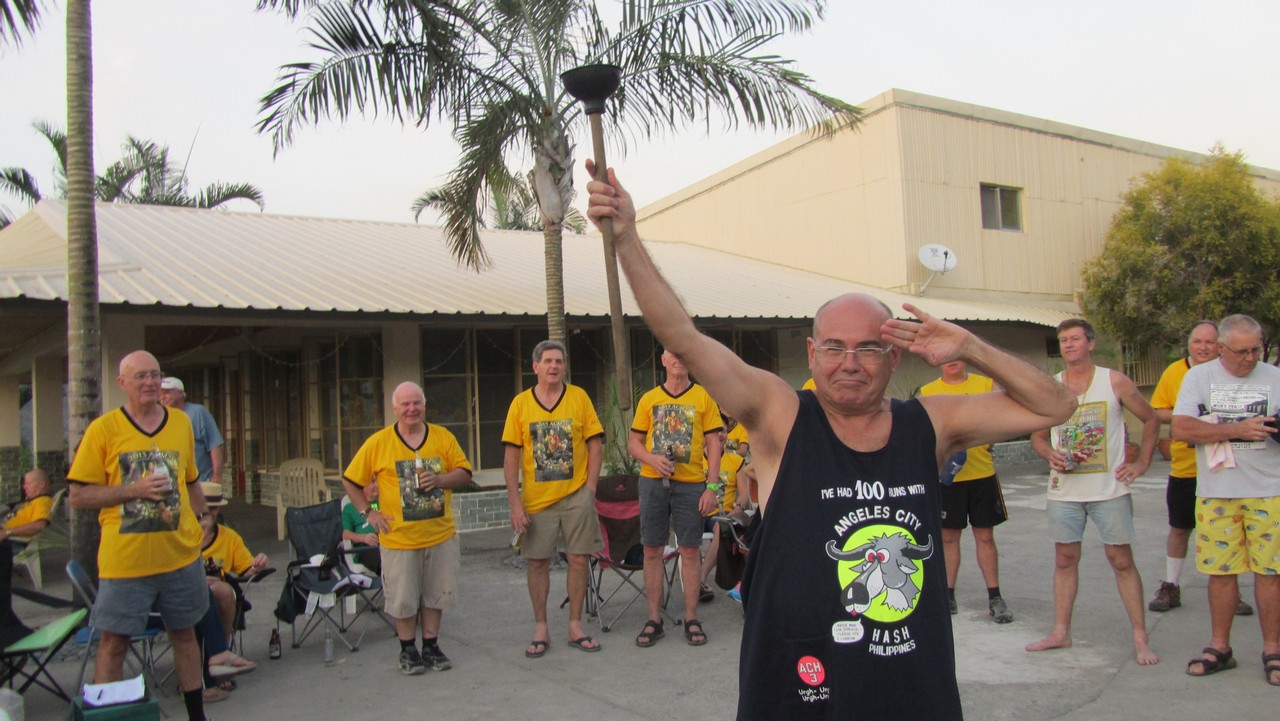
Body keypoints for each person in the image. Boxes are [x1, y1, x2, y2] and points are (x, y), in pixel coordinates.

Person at [586, 162, 1076, 719]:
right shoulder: (780, 415)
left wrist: (972, 347)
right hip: (800, 678)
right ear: (812, 353)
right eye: (835, 348)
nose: (850, 363)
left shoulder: (931, 423)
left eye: (868, 348)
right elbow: (683, 337)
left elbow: (1056, 405)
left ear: (894, 358)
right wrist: (626, 238)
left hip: (911, 681)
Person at [67, 350, 213, 721]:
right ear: (123, 383)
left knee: (185, 635)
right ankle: (107, 715)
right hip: (126, 562)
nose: (150, 382)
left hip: (179, 556)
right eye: (140, 376)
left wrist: (204, 517)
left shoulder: (180, 423)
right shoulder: (103, 430)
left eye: (155, 375)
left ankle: (197, 715)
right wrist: (133, 490)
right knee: (114, 641)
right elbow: (79, 496)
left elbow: (191, 480)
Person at [1026, 319, 1160, 665]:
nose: (1068, 345)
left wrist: (1142, 463)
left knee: (1121, 560)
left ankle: (1140, 637)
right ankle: (1061, 632)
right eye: (1063, 340)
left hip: (1109, 491)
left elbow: (1151, 418)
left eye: (1075, 339)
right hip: (1064, 492)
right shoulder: (1052, 387)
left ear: (1090, 343)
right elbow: (1037, 436)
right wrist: (1049, 453)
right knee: (1065, 559)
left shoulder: (1113, 381)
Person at [1173, 314, 1280, 685]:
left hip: (1269, 489)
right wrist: (1238, 429)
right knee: (1220, 573)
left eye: (1255, 350)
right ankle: (1220, 647)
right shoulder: (1198, 378)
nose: (1250, 358)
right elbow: (1181, 428)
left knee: (1271, 574)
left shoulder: (1275, 377)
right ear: (1221, 348)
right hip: (1217, 491)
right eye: (1241, 352)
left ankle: (1273, 650)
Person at [342, 382, 472, 676]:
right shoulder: (378, 442)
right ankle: (408, 649)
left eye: (417, 403)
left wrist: (439, 480)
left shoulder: (442, 437)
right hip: (398, 539)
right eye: (405, 404)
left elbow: (464, 473)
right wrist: (369, 513)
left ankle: (431, 646)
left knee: (436, 594)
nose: (412, 409)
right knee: (403, 598)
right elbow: (350, 480)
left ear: (424, 405)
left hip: (439, 535)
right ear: (395, 408)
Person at [502, 340, 606, 658]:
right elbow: (511, 457)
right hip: (537, 501)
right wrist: (515, 503)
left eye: (559, 361)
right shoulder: (520, 404)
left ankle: (575, 626)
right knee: (537, 562)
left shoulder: (579, 398)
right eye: (547, 361)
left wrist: (589, 490)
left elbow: (595, 445)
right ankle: (541, 628)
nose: (554, 366)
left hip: (576, 497)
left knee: (579, 559)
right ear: (535, 366)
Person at [1148, 321, 1253, 616]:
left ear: (1220, 345)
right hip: (1187, 467)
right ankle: (1171, 585)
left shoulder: (1231, 373)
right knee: (1180, 527)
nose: (1203, 347)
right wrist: (1190, 415)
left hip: (1226, 466)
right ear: (1189, 344)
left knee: (1232, 529)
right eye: (1197, 341)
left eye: (1209, 342)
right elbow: (1158, 410)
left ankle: (1231, 591)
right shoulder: (1175, 372)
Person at [628, 348, 723, 648]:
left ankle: (692, 617)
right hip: (653, 483)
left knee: (690, 550)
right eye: (673, 354)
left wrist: (712, 487)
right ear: (664, 360)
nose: (679, 360)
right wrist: (651, 459)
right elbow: (634, 443)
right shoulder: (649, 399)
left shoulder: (703, 398)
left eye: (683, 354)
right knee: (652, 549)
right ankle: (654, 618)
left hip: (692, 484)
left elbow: (714, 444)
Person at [919, 361, 1014, 623]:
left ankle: (995, 597)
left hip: (982, 474)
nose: (952, 361)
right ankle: (947, 595)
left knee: (985, 536)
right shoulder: (928, 392)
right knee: (948, 537)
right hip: (948, 478)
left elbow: (1004, 417)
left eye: (957, 355)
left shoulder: (986, 385)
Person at [160, 377, 225, 483]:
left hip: (200, 482)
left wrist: (216, 478)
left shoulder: (198, 412)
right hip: (173, 484)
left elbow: (215, 446)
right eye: (160, 393)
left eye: (166, 393)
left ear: (180, 394)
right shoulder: (160, 416)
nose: (162, 397)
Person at [1, 469, 53, 542]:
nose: (24, 487)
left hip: (11, 541)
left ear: (42, 484)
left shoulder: (42, 502)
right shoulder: (34, 501)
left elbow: (39, 526)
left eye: (27, 483)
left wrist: (7, 532)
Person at [341, 480, 382, 575]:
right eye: (372, 482)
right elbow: (345, 535)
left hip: (387, 543)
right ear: (361, 486)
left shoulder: (384, 504)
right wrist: (364, 538)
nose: (377, 485)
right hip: (366, 548)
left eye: (378, 481)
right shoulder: (350, 508)